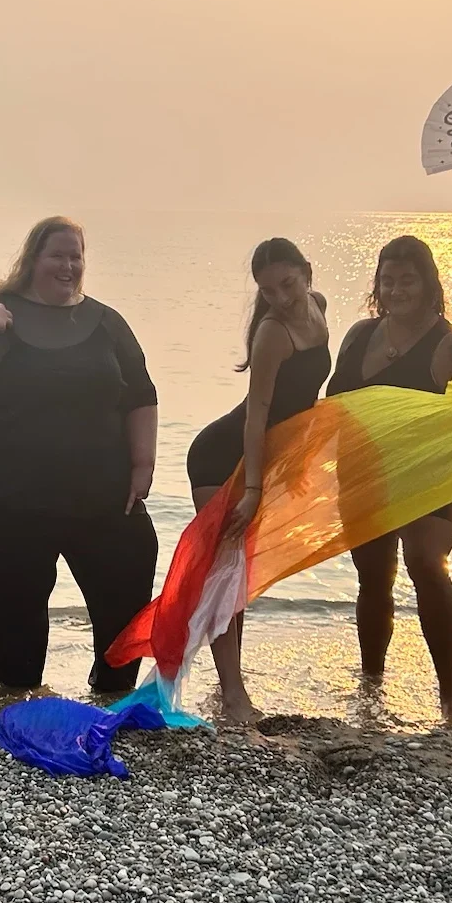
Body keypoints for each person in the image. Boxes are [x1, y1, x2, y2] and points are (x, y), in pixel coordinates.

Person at [0, 218, 159, 696]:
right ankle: (19, 697)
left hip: (98, 491)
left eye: (76, 255)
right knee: (17, 605)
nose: (69, 265)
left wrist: (143, 466)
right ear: (33, 259)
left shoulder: (106, 322)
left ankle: (112, 692)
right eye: (58, 254)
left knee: (128, 580)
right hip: (1, 497)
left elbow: (140, 394)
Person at [326, 235, 452, 693]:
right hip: (365, 470)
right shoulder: (360, 335)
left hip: (430, 473)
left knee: (425, 564)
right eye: (388, 280)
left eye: (407, 281)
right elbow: (335, 402)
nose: (396, 290)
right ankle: (372, 684)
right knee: (374, 578)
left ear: (428, 284)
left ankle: (450, 693)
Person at [186, 238, 331, 719]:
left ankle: (230, 689)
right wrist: (251, 488)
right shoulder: (272, 333)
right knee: (228, 573)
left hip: (265, 459)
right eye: (268, 291)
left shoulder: (319, 307)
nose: (282, 298)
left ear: (307, 273)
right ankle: (232, 695)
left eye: (287, 284)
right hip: (223, 460)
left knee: (238, 572)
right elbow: (257, 415)